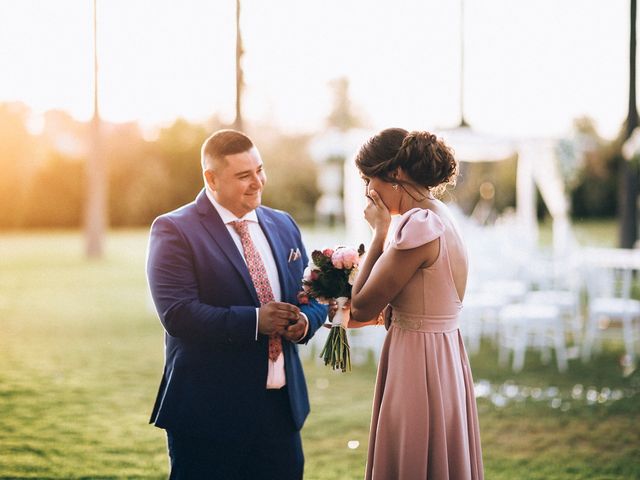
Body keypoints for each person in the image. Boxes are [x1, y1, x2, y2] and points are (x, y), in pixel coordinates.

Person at [146, 129, 327, 479]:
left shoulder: (283, 224)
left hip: (281, 412)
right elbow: (177, 313)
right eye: (243, 175)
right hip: (209, 414)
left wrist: (306, 321)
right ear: (210, 179)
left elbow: (313, 296)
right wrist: (257, 321)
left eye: (259, 170)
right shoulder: (174, 230)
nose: (257, 182)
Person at [349, 128, 484, 479]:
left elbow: (361, 306)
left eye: (369, 178)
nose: (367, 190)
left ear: (394, 174)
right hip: (445, 356)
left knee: (413, 455)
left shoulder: (418, 226)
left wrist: (378, 234)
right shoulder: (441, 215)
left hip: (418, 362)